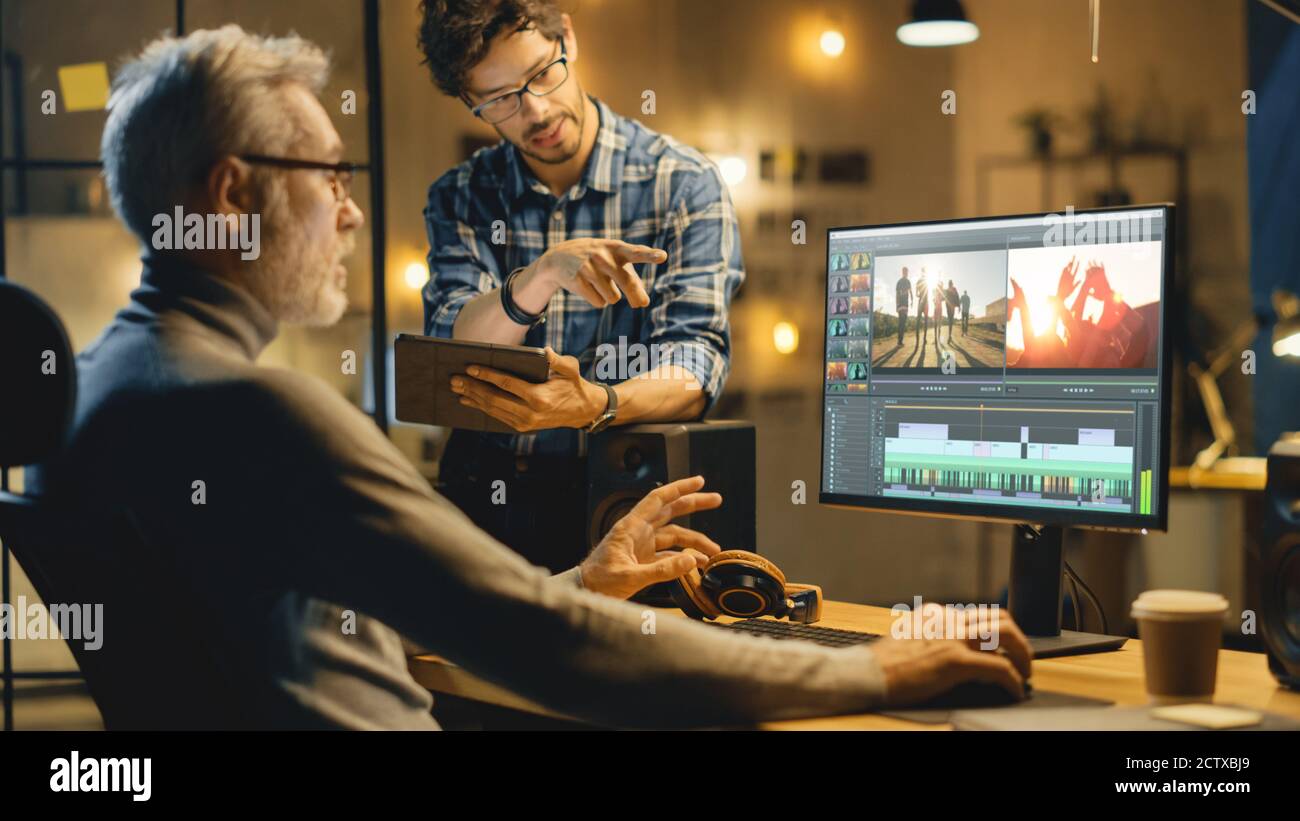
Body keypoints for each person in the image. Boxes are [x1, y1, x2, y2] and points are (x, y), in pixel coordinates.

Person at [26, 26, 1032, 729]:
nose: (350, 212)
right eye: (327, 177)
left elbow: (357, 628)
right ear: (231, 191)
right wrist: (871, 666)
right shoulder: (255, 412)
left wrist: (581, 582)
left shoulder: (97, 390)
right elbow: (554, 648)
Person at [418, 0, 743, 571]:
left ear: (567, 35)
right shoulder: (462, 195)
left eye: (543, 73)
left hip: (623, 498)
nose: (536, 112)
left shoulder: (682, 184)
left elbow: (695, 362)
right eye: (500, 100)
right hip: (482, 502)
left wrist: (596, 402)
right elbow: (454, 347)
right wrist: (539, 277)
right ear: (471, 103)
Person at [895, 266, 911, 345]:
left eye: (906, 272)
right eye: (905, 272)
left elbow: (910, 291)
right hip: (901, 304)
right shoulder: (899, 282)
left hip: (905, 305)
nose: (906, 273)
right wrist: (897, 305)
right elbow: (897, 294)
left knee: (902, 322)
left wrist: (912, 299)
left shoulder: (907, 281)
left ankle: (900, 340)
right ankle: (899, 341)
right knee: (901, 322)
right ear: (903, 272)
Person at [915, 268, 930, 347]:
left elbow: (916, 289)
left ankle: (921, 339)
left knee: (920, 320)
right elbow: (917, 289)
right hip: (924, 301)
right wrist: (917, 293)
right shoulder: (926, 280)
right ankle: (922, 339)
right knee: (924, 320)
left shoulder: (921, 280)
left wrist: (917, 294)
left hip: (922, 301)